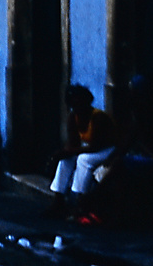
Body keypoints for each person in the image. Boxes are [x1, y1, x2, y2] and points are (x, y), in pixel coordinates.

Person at [50, 84, 118, 219]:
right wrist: (64, 152)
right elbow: (73, 143)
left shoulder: (98, 118)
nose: (76, 107)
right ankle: (58, 199)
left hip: (108, 150)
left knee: (84, 159)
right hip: (92, 148)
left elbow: (96, 146)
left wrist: (70, 150)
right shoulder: (73, 117)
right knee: (66, 159)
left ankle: (79, 200)